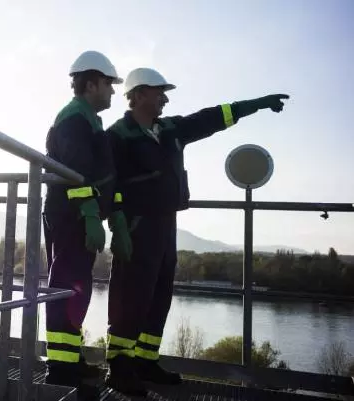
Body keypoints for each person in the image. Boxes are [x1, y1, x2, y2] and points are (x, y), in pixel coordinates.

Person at [103, 67, 289, 395]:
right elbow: (108, 182)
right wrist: (117, 223)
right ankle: (119, 365)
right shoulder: (119, 135)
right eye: (160, 91)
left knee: (159, 295)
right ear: (139, 94)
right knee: (130, 295)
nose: (165, 98)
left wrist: (255, 105)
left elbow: (212, 117)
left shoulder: (171, 128)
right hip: (136, 226)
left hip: (166, 223)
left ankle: (145, 360)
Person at [42, 50, 133, 394]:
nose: (112, 92)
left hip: (80, 216)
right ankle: (60, 368)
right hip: (71, 216)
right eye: (108, 84)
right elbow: (76, 173)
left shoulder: (90, 121)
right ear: (91, 83)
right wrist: (92, 214)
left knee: (75, 289)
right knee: (66, 286)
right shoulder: (74, 118)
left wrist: (114, 216)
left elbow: (101, 177)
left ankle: (69, 358)